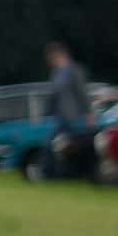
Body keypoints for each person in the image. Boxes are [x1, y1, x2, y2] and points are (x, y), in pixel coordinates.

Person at [42, 41, 94, 169]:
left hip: (74, 118)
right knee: (52, 144)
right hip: (60, 118)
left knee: (74, 145)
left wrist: (89, 115)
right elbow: (54, 96)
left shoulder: (74, 71)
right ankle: (53, 171)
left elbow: (82, 94)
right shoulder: (56, 74)